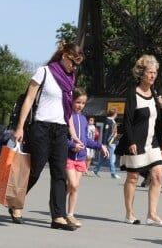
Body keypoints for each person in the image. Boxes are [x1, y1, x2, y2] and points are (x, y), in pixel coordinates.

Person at [13, 41, 84, 231]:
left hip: (60, 130)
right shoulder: (44, 72)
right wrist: (20, 127)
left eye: (77, 64)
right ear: (64, 55)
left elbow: (66, 110)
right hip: (41, 127)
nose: (74, 67)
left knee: (59, 173)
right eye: (73, 62)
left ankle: (58, 216)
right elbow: (28, 99)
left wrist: (74, 135)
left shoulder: (71, 78)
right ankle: (16, 202)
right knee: (35, 170)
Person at [115, 54, 162, 227]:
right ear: (141, 73)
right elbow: (128, 121)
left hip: (152, 142)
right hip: (135, 142)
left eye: (155, 72)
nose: (153, 76)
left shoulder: (154, 93)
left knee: (158, 175)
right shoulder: (132, 93)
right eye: (150, 72)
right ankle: (129, 213)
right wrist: (131, 141)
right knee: (133, 177)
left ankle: (152, 214)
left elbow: (158, 120)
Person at [66, 87, 109, 228]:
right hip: (69, 157)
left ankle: (70, 214)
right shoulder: (66, 116)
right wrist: (72, 145)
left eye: (83, 103)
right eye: (78, 102)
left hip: (81, 158)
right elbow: (60, 138)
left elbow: (85, 140)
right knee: (73, 184)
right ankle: (58, 203)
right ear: (71, 101)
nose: (80, 105)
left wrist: (100, 145)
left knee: (75, 188)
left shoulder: (84, 119)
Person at [93, 108, 121, 179]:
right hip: (110, 142)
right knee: (112, 158)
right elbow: (105, 132)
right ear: (114, 114)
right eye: (116, 113)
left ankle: (96, 169)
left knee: (106, 157)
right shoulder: (108, 121)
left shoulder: (112, 121)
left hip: (113, 141)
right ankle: (113, 173)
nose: (117, 115)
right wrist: (104, 143)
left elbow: (114, 132)